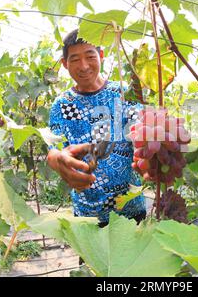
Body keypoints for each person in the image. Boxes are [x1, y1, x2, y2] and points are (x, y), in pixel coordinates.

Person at [46, 29, 146, 229]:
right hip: (87, 216)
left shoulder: (124, 93)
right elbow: (54, 149)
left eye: (90, 56)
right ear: (65, 64)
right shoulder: (62, 105)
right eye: (74, 59)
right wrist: (56, 159)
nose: (83, 66)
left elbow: (143, 134)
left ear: (101, 56)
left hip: (131, 210)